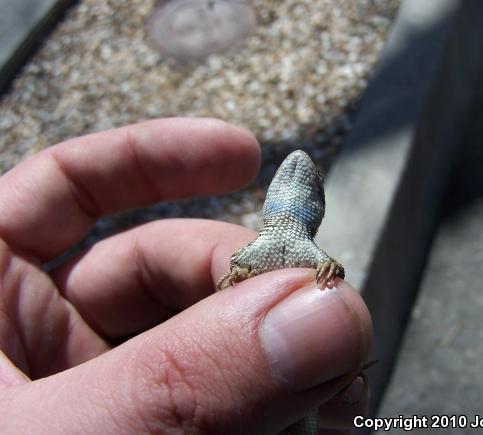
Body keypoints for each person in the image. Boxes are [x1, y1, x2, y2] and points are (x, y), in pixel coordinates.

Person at [0, 118, 372, 434]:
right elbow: (238, 268)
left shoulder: (297, 251)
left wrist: (325, 269)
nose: (296, 165)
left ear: (317, 207)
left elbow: (330, 270)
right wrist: (240, 272)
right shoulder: (266, 250)